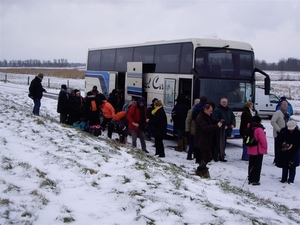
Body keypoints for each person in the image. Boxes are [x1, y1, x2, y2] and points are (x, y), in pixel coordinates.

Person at [194, 103, 223, 178]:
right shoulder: (200, 117)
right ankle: (201, 170)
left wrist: (219, 121)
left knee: (208, 156)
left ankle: (201, 169)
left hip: (207, 140)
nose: (211, 112)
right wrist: (217, 126)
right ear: (205, 109)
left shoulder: (207, 116)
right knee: (207, 156)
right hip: (202, 140)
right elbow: (206, 127)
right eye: (210, 110)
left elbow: (212, 121)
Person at [247, 116, 268, 186]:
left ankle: (250, 178)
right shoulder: (259, 129)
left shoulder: (250, 127)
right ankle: (255, 180)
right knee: (257, 166)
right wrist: (265, 147)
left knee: (251, 164)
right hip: (258, 150)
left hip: (251, 148)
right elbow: (263, 140)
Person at [214, 98, 236, 162]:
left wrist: (233, 124)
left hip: (227, 129)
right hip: (220, 130)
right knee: (220, 143)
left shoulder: (229, 110)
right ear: (220, 103)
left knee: (224, 143)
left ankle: (222, 154)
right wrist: (223, 125)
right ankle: (219, 155)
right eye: (223, 102)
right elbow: (216, 119)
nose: (224, 103)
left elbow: (233, 117)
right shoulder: (217, 110)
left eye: (225, 102)